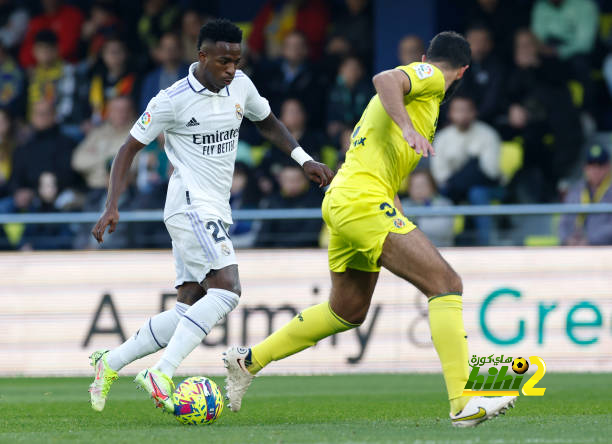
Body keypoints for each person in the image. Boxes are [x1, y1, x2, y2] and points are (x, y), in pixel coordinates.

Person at [224, 31, 517, 427]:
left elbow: (383, 164)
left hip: (350, 198)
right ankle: (463, 401)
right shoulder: (429, 79)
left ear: (428, 54)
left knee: (346, 312)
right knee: (446, 284)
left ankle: (248, 361)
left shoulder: (424, 99)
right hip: (359, 201)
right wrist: (408, 127)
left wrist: (398, 206)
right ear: (462, 71)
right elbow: (384, 79)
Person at [87, 19, 333, 413]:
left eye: (236, 60)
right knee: (227, 289)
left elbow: (267, 122)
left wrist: (302, 159)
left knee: (189, 304)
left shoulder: (241, 86)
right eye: (223, 61)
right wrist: (112, 203)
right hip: (190, 205)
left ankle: (109, 363)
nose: (231, 69)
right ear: (202, 57)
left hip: (214, 207)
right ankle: (162, 372)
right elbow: (127, 150)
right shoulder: (172, 99)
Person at [431, 95, 501, 245]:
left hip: (487, 187)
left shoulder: (488, 134)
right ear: (450, 114)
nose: (462, 115)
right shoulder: (442, 138)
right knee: (442, 196)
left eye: (466, 110)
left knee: (477, 193)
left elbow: (491, 172)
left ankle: (486, 244)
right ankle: (444, 244)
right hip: (453, 188)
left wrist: (462, 176)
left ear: (474, 112)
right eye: (458, 110)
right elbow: (440, 176)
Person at [559, 145, 612, 246]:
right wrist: (568, 239)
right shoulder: (575, 191)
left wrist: (590, 240)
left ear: (608, 167)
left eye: (600, 165)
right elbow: (564, 223)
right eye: (591, 165)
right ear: (585, 168)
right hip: (575, 249)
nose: (595, 170)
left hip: (606, 250)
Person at [401, 169, 455, 247]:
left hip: (441, 250)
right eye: (415, 186)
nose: (419, 190)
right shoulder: (403, 205)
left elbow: (443, 229)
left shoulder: (444, 203)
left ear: (432, 186)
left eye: (423, 185)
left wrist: (414, 224)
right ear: (409, 189)